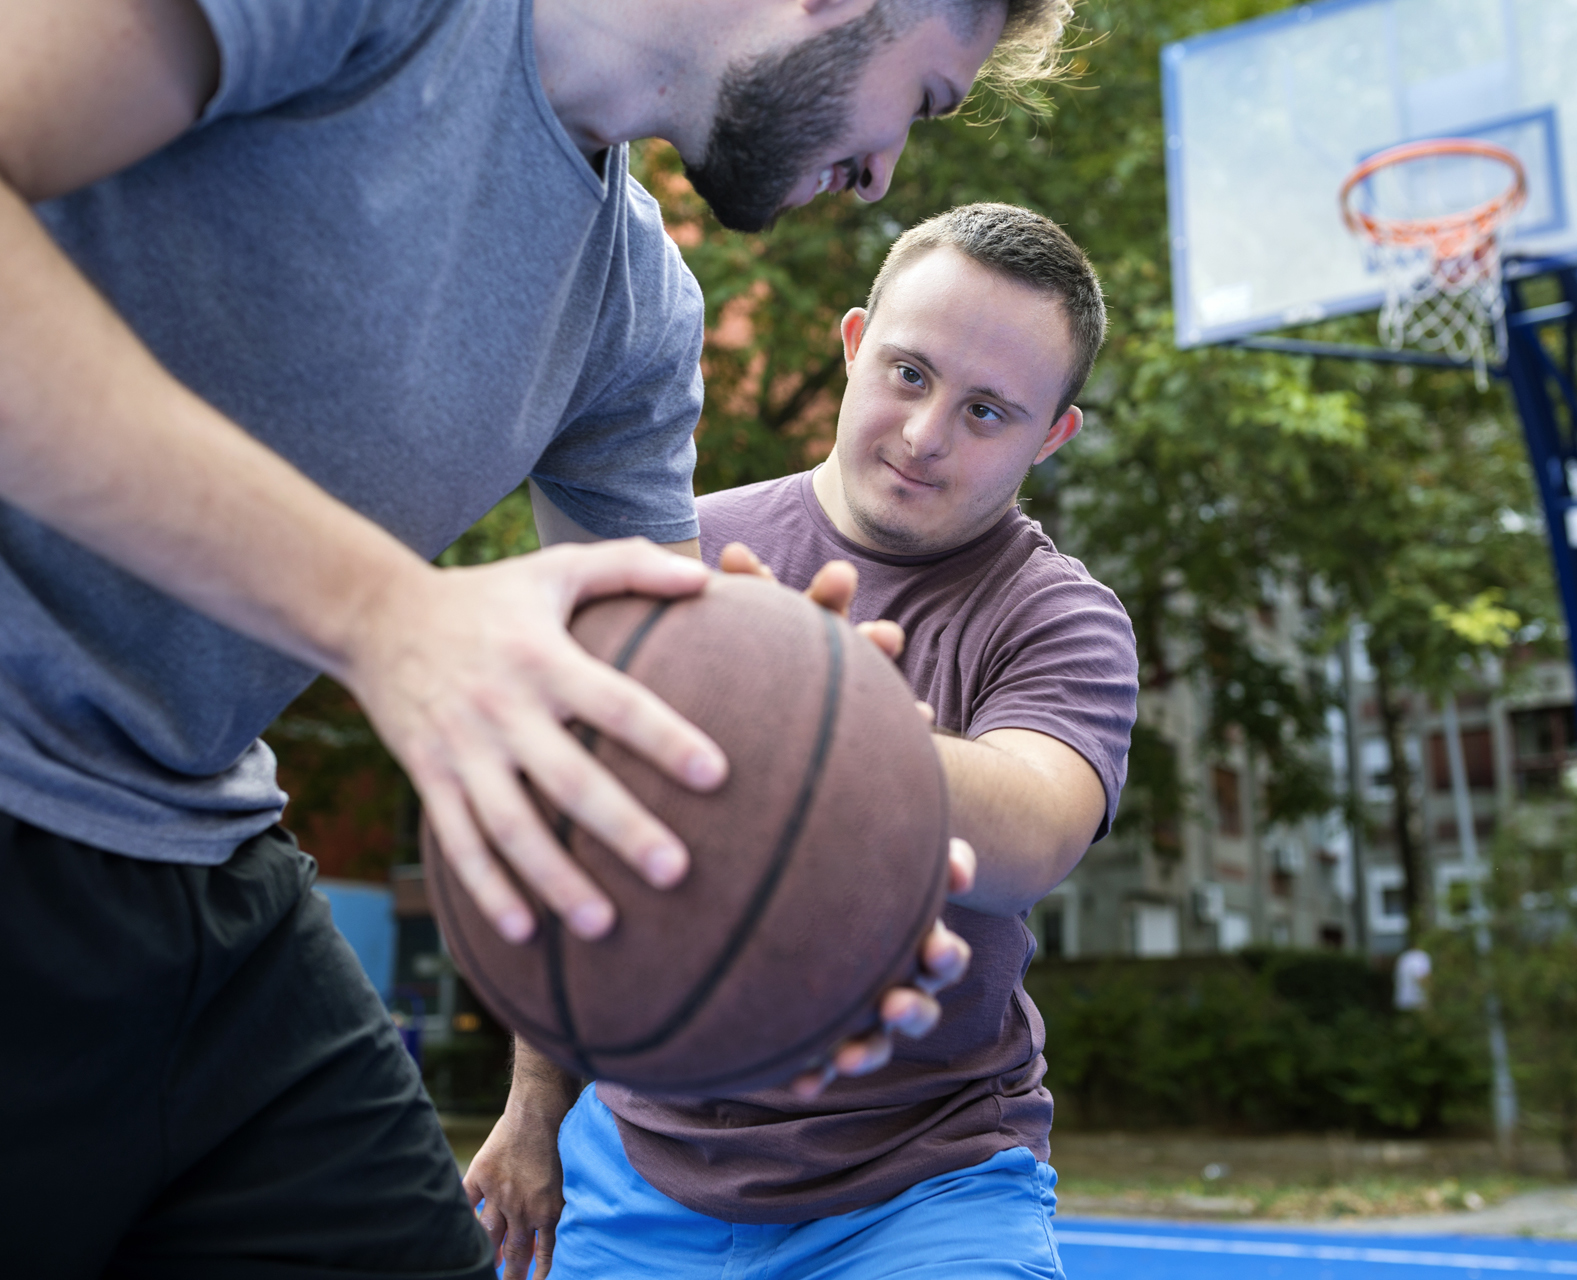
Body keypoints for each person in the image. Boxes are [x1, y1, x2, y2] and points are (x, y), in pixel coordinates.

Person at [0, 2, 1075, 1274]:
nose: (886, 166)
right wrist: (385, 612)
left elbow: (655, 730)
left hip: (188, 856)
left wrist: (805, 918)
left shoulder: (636, 316)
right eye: (927, 98)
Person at [467, 203, 1140, 1278]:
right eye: (910, 374)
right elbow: (575, 845)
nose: (927, 435)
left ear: (1051, 435)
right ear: (854, 342)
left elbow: (1036, 828)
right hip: (639, 1161)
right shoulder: (681, 540)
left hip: (923, 1179)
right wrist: (535, 1102)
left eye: (987, 411)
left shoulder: (1060, 615)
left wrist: (835, 722)